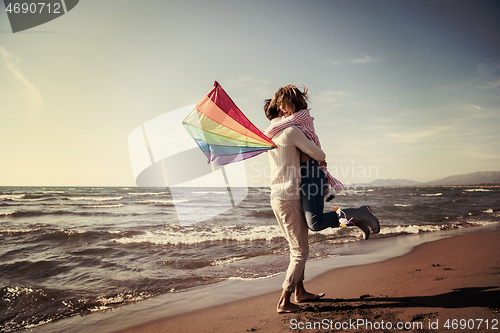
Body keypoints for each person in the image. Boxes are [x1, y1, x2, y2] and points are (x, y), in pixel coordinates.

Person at [265, 85, 380, 237]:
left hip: (312, 173)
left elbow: (279, 127)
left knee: (315, 223)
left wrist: (263, 135)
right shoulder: (292, 120)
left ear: (292, 101)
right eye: (280, 107)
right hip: (306, 174)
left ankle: (360, 213)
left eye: (284, 105)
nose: (282, 109)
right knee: (313, 222)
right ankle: (357, 220)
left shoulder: (301, 116)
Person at [266, 97, 327, 313]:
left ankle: (300, 292)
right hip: (290, 196)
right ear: (283, 113)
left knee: (298, 246)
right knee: (300, 250)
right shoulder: (290, 132)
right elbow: (319, 154)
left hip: (277, 196)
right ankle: (284, 300)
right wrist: (319, 161)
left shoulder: (267, 134)